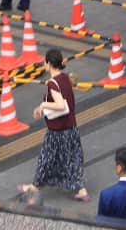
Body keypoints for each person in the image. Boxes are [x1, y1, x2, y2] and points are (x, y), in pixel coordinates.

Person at [20, 48, 89, 202]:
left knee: (46, 158)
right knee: (72, 158)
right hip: (71, 127)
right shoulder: (64, 78)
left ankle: (34, 187)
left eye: (45, 62)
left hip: (57, 131)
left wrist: (43, 106)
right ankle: (81, 190)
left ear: (49, 64)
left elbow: (60, 105)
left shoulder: (53, 83)